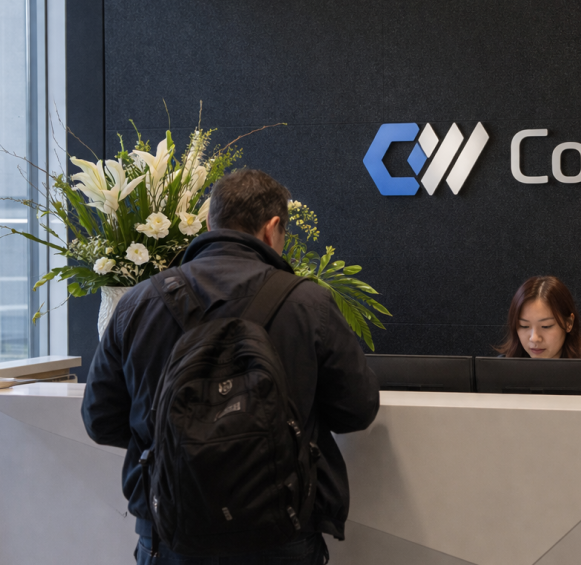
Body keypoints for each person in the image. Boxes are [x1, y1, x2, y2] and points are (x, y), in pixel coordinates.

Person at [81, 169, 380, 565]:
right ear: (272, 228)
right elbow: (357, 410)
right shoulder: (309, 304)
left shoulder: (138, 303)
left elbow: (100, 420)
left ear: (209, 223)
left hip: (171, 534)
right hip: (280, 531)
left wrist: (179, 442)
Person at [497, 275, 581, 394]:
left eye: (546, 326)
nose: (534, 338)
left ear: (569, 323)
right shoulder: (500, 371)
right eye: (524, 326)